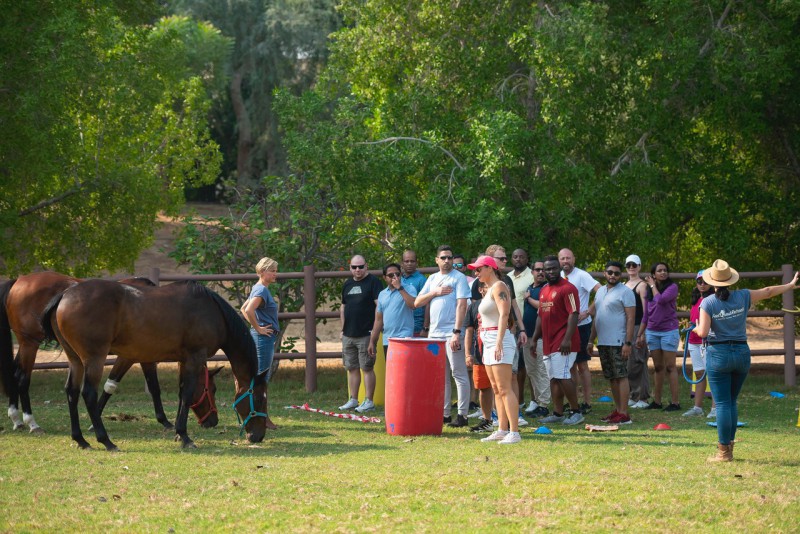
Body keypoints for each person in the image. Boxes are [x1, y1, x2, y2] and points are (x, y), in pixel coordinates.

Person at [695, 259, 800, 462]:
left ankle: (724, 452)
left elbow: (704, 332)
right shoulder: (743, 295)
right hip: (742, 353)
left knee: (722, 403)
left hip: (719, 354)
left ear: (712, 281)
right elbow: (768, 291)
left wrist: (697, 327)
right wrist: (789, 285)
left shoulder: (708, 302)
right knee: (731, 401)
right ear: (730, 279)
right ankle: (729, 447)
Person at [415, 245, 472, 427]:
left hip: (452, 333)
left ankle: (462, 415)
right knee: (442, 375)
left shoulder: (459, 278)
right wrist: (435, 292)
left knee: (458, 373)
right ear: (437, 260)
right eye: (443, 257)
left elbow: (462, 305)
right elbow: (417, 302)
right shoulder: (432, 279)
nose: (447, 261)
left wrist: (456, 332)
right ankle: (445, 413)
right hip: (435, 334)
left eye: (449, 257)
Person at [468, 256, 522, 444]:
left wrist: (499, 340)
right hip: (488, 339)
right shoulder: (489, 289)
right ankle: (502, 429)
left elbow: (505, 313)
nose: (476, 273)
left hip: (499, 339)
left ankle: (514, 432)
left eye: (479, 269)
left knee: (505, 388)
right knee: (496, 389)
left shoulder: (499, 286)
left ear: (490, 268)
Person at [532, 255, 585, 426]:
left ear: (559, 269)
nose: (551, 272)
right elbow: (541, 316)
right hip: (548, 341)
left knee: (563, 376)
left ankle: (576, 412)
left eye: (554, 268)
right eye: (547, 269)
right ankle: (558, 413)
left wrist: (567, 339)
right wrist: (535, 339)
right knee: (554, 378)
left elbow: (574, 314)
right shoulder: (544, 290)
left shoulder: (568, 288)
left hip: (564, 341)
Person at [587, 261, 635, 425]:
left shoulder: (626, 292)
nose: (613, 275)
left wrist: (627, 342)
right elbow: (597, 316)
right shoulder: (600, 291)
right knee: (612, 377)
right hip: (603, 341)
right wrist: (591, 340)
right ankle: (618, 410)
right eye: (610, 272)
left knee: (621, 376)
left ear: (621, 275)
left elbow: (631, 318)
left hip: (618, 341)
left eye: (616, 273)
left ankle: (624, 414)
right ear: (604, 273)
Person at [339, 255, 384, 413]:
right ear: (350, 268)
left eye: (360, 266)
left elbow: (379, 307)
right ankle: (353, 399)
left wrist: (374, 332)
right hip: (348, 334)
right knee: (351, 368)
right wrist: (342, 329)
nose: (357, 269)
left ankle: (369, 401)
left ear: (366, 266)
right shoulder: (347, 284)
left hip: (366, 334)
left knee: (367, 367)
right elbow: (343, 307)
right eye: (354, 267)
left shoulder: (374, 282)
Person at [559, 248, 600, 413]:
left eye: (568, 258)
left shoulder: (582, 275)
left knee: (582, 365)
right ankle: (573, 402)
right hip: (564, 327)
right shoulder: (557, 276)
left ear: (574, 259)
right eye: (562, 258)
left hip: (581, 326)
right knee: (570, 365)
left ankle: (587, 402)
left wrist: (588, 311)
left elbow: (601, 291)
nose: (565, 261)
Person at [241, 256, 280, 430]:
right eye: (272, 271)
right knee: (261, 380)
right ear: (263, 272)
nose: (275, 274)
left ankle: (258, 415)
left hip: (262, 338)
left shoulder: (258, 288)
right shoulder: (261, 290)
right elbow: (249, 310)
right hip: (263, 339)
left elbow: (243, 309)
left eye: (275, 271)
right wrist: (259, 328)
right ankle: (262, 418)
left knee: (259, 379)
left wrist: (256, 328)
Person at [637, 262, 681, 412]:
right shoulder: (649, 292)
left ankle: (675, 402)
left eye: (665, 270)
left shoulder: (672, 287)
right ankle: (657, 401)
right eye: (659, 270)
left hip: (669, 331)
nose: (663, 272)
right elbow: (646, 315)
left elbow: (661, 300)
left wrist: (651, 285)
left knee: (670, 367)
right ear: (654, 274)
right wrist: (639, 334)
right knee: (658, 367)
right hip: (652, 332)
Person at [683, 270, 716, 418]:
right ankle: (698, 407)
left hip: (707, 341)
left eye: (705, 282)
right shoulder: (696, 298)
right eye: (699, 281)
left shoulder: (713, 299)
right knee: (699, 374)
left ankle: (715, 408)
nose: (702, 284)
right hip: (693, 340)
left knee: (713, 374)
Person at [368, 263, 418, 360]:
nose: (395, 277)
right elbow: (378, 320)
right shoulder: (382, 294)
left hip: (404, 339)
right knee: (391, 370)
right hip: (388, 340)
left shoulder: (409, 288)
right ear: (384, 278)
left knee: (404, 369)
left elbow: (413, 305)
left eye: (397, 274)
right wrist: (372, 342)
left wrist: (400, 288)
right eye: (391, 275)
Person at [464, 281, 493, 433]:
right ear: (481, 290)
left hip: (497, 351)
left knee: (500, 387)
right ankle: (487, 420)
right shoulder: (474, 306)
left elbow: (511, 325)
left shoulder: (501, 303)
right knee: (483, 387)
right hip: (479, 352)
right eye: (488, 286)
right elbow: (469, 331)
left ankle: (505, 421)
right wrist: (467, 354)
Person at [522, 259, 550, 418]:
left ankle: (544, 405)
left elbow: (543, 307)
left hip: (541, 337)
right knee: (531, 370)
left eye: (543, 269)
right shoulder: (529, 288)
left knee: (542, 370)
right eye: (537, 269)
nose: (540, 272)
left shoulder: (547, 288)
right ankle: (538, 402)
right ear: (532, 272)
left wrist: (528, 299)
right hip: (527, 336)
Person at [624, 254, 651, 409]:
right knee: (628, 362)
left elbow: (646, 312)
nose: (631, 268)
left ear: (639, 266)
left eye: (634, 265)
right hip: (625, 328)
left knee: (639, 361)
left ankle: (643, 397)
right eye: (628, 265)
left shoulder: (642, 286)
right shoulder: (624, 285)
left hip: (637, 327)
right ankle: (633, 395)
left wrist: (642, 332)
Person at [510, 248, 535, 411]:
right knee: (516, 366)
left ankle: (535, 400)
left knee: (531, 365)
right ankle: (518, 400)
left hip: (529, 326)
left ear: (527, 259)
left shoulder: (532, 276)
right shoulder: (508, 277)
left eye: (521, 257)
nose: (518, 259)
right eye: (515, 257)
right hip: (512, 326)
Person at [401, 250, 427, 336]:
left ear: (416, 263)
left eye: (412, 261)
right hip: (400, 327)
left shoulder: (422, 280)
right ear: (402, 263)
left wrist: (425, 327)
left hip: (417, 327)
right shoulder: (399, 279)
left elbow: (427, 305)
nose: (409, 264)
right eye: (406, 261)